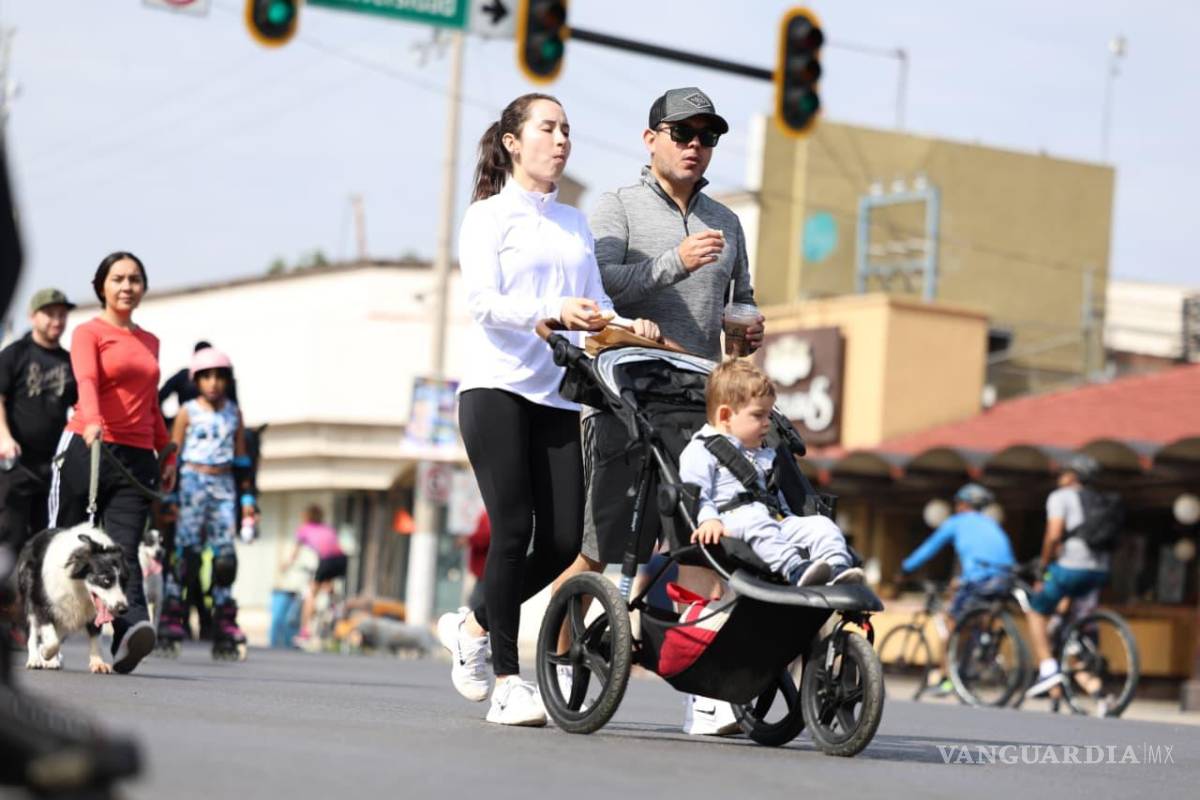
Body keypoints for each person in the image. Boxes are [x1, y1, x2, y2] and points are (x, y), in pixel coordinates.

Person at [435, 92, 660, 727]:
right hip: (496, 389)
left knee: (563, 539)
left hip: (558, 395)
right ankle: (507, 681)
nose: (561, 139)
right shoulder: (488, 216)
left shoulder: (574, 222)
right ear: (513, 141)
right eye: (548, 128)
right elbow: (483, 303)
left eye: (567, 130)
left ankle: (473, 625)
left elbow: (591, 308)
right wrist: (549, 313)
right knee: (512, 531)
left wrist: (628, 325)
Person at [554, 86, 764, 734]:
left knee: (700, 545)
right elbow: (604, 284)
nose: (697, 146)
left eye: (708, 137)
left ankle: (703, 692)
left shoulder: (727, 223)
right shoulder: (615, 205)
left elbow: (744, 302)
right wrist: (675, 261)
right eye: (684, 133)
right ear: (652, 140)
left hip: (697, 406)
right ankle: (558, 659)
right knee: (603, 546)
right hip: (626, 395)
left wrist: (747, 336)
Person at [48, 252, 177, 674]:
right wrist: (94, 421)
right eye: (118, 278)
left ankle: (129, 630)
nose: (127, 286)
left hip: (137, 457)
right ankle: (46, 624)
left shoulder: (150, 341)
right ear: (102, 285)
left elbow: (150, 405)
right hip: (90, 446)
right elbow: (86, 379)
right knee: (66, 541)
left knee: (123, 550)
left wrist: (166, 448)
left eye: (135, 279)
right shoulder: (89, 332)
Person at [678, 359, 862, 586]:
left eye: (768, 415)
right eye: (758, 415)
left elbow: (772, 493)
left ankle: (837, 568)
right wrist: (708, 520)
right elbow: (697, 492)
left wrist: (789, 518)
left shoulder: (762, 453)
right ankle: (795, 569)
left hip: (770, 520)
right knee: (756, 518)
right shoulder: (701, 450)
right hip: (731, 521)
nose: (767, 424)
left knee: (821, 525)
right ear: (725, 416)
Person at [156, 347, 256, 659]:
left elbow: (242, 459)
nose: (213, 383)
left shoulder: (234, 413)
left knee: (225, 558)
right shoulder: (187, 411)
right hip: (192, 484)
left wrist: (249, 500)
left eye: (219, 377)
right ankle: (172, 617)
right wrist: (169, 497)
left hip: (223, 485)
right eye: (206, 377)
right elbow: (174, 456)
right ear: (196, 380)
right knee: (186, 556)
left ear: (228, 380)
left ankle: (224, 620)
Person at [900, 482, 1016, 694]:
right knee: (975, 621)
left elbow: (929, 548)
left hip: (979, 579)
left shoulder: (957, 522)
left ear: (963, 504)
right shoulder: (992, 524)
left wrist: (906, 568)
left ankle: (947, 678)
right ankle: (972, 661)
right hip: (1005, 578)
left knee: (952, 625)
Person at [1024, 454, 1112, 698]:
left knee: (1036, 610)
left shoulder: (1060, 497)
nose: (1059, 477)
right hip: (1100, 570)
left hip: (1071, 566)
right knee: (1066, 617)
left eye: (1062, 472)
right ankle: (1088, 682)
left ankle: (1048, 669)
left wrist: (1043, 567)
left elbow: (1053, 536)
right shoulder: (1100, 500)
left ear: (1072, 476)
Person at [0, 289, 78, 558]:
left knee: (46, 541)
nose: (57, 320)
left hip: (53, 466)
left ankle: (36, 600)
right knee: (11, 536)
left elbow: (81, 407)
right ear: (33, 316)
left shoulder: (70, 362)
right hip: (15, 463)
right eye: (50, 314)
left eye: (62, 314)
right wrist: (4, 437)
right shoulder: (15, 354)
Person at [282, 504, 347, 644]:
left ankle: (305, 631)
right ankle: (337, 613)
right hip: (341, 559)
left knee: (311, 594)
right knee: (328, 588)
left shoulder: (304, 530)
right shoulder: (328, 528)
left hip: (327, 560)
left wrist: (286, 566)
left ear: (306, 517)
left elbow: (295, 553)